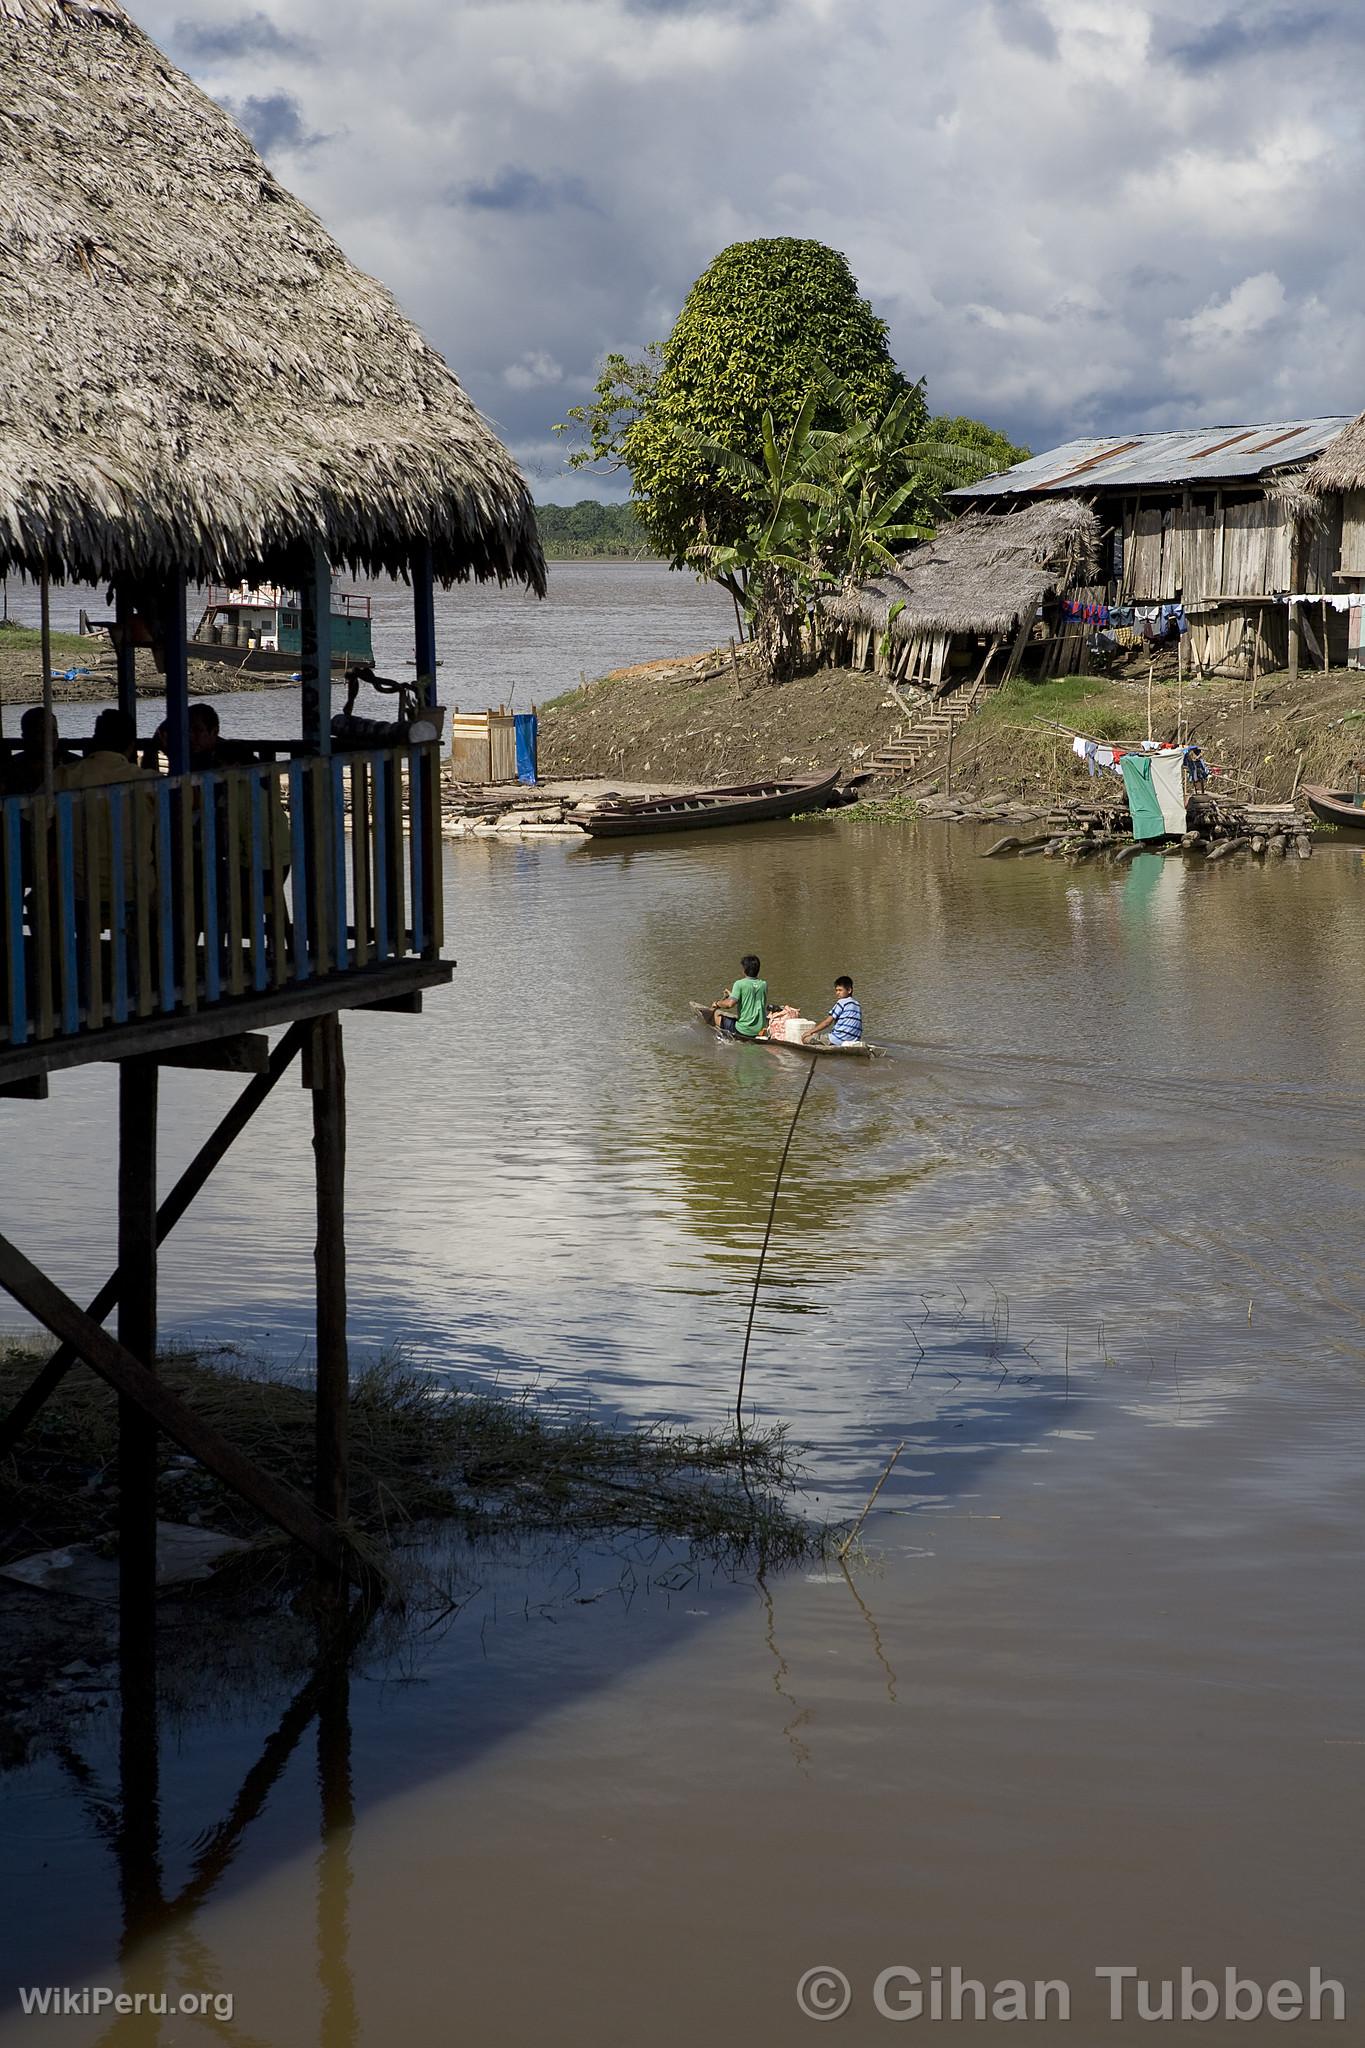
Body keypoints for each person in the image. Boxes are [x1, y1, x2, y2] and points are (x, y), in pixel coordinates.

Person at [3, 706, 75, 794]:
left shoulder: (72, 765)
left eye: (53, 731)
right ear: (26, 736)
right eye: (41, 732)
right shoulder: (10, 770)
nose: (49, 737)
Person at [712, 953, 770, 1040]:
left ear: (744, 970)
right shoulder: (763, 985)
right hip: (759, 1029)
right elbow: (750, 996)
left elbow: (729, 1004)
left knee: (716, 1015)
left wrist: (717, 1003)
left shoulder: (739, 984)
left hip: (744, 1030)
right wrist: (732, 994)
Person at [804, 975, 863, 1046]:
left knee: (806, 1038)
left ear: (849, 990)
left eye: (840, 990)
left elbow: (827, 1022)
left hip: (838, 1039)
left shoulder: (842, 1002)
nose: (837, 993)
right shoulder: (857, 1004)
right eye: (836, 990)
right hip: (854, 1040)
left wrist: (810, 1032)